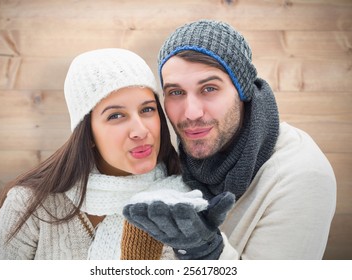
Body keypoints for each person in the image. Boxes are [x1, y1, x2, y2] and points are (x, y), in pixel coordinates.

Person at [123, 20, 337, 259]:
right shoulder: (178, 162)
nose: (191, 112)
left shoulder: (301, 175)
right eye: (176, 92)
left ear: (242, 90)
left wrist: (206, 254)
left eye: (209, 89)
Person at [0, 48, 210, 260]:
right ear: (88, 134)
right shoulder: (30, 205)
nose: (141, 130)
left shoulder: (184, 202)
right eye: (116, 116)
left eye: (147, 110)